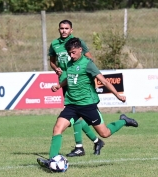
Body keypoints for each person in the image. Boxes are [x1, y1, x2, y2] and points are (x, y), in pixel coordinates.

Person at [37, 37, 138, 170]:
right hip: (72, 105)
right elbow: (70, 77)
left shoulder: (88, 64)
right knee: (57, 128)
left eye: (73, 52)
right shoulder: (69, 63)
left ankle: (124, 121)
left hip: (87, 105)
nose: (71, 55)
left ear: (80, 50)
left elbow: (105, 81)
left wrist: (118, 95)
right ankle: (51, 160)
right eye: (69, 53)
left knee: (105, 133)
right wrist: (60, 85)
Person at [48, 19, 104, 157]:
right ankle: (93, 142)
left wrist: (85, 76)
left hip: (78, 84)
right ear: (59, 29)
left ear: (71, 30)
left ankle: (84, 145)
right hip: (65, 82)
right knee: (75, 117)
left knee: (77, 116)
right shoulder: (54, 44)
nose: (64, 30)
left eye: (66, 28)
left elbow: (90, 59)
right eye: (61, 28)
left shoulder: (76, 43)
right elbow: (52, 62)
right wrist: (56, 69)